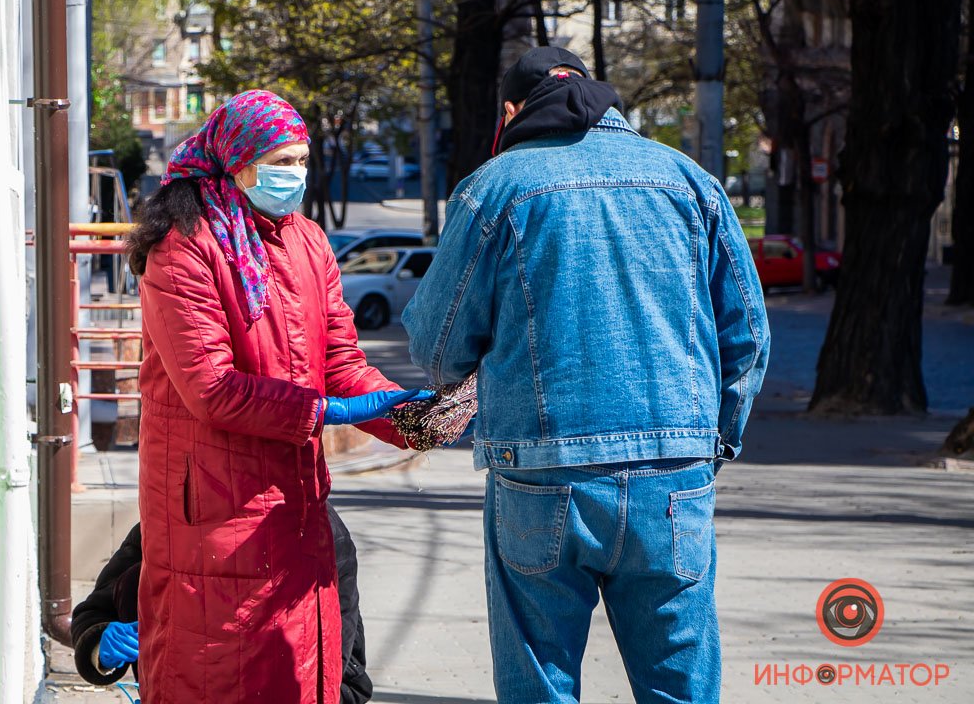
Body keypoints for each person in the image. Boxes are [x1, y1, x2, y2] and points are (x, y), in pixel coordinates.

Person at [402, 46, 770, 704]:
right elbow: (748, 337)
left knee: (540, 682)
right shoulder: (690, 181)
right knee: (680, 686)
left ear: (513, 111)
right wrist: (712, 443)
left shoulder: (495, 187)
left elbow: (437, 347)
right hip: (672, 475)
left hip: (541, 477)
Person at [127, 89, 430, 704]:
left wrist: (414, 420)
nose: (294, 175)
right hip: (213, 508)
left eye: (301, 160)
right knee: (219, 672)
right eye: (281, 161)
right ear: (238, 162)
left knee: (297, 670)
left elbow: (342, 361)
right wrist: (322, 413)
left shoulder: (309, 241)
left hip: (293, 498)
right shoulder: (183, 245)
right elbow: (210, 387)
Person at [71, 502, 375, 703]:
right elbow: (95, 610)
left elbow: (330, 660)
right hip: (181, 688)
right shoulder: (168, 523)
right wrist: (99, 645)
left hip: (300, 691)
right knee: (143, 577)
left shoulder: (318, 532)